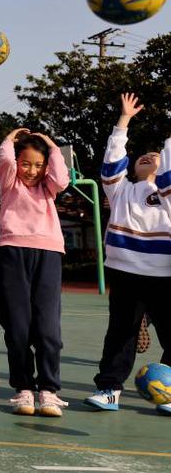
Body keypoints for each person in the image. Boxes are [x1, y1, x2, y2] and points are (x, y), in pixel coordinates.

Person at [87, 93, 171, 413]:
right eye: (142, 156)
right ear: (132, 168)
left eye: (157, 154)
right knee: (121, 334)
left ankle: (167, 389)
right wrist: (123, 121)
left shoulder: (168, 192)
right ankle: (109, 389)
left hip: (165, 273)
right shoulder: (120, 189)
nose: (148, 156)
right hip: (127, 272)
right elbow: (112, 161)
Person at [0, 127, 70, 417]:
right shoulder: (10, 183)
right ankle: (24, 388)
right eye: (26, 163)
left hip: (49, 253)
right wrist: (9, 139)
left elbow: (61, 177)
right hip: (13, 252)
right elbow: (5, 160)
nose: (31, 170)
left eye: (38, 165)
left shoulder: (49, 187)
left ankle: (48, 391)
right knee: (17, 326)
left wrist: (51, 145)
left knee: (48, 327)